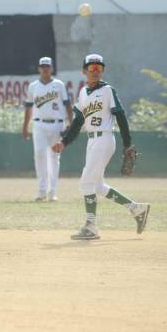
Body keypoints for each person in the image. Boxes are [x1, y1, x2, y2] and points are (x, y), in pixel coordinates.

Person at [51, 54, 150, 240]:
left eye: (99, 68)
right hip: (92, 140)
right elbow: (78, 121)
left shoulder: (107, 90)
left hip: (104, 139)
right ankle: (137, 209)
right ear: (84, 71)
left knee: (86, 183)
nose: (95, 71)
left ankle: (91, 226)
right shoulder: (83, 93)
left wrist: (127, 143)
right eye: (91, 68)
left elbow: (121, 117)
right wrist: (64, 141)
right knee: (98, 185)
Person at [22, 57, 72, 201]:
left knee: (54, 156)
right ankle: (41, 191)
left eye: (47, 66)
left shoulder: (59, 84)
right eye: (42, 66)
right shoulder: (33, 86)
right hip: (39, 124)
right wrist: (25, 127)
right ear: (39, 68)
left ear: (51, 68)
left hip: (57, 123)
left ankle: (52, 191)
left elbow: (68, 105)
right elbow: (28, 108)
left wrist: (71, 124)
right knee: (39, 154)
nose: (45, 68)